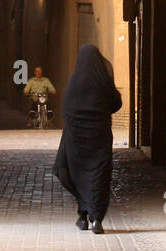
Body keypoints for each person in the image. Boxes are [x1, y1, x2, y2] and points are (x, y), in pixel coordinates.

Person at [52, 44, 122, 234]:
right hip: (99, 137)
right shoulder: (102, 81)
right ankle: (95, 218)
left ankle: (83, 216)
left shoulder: (74, 82)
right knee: (98, 175)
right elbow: (116, 102)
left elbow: (66, 109)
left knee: (79, 175)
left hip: (76, 141)